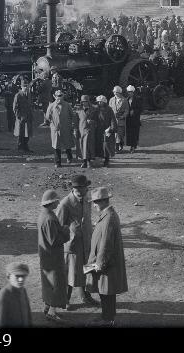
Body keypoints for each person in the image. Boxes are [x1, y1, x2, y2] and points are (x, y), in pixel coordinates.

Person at [86, 187, 128, 326]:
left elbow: (106, 244)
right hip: (106, 262)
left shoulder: (109, 218)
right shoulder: (108, 215)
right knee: (105, 291)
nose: (94, 205)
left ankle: (107, 319)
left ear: (104, 201)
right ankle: (108, 317)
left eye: (96, 202)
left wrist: (99, 264)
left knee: (106, 292)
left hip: (106, 263)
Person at [55, 175, 97, 306]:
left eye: (81, 187)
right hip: (72, 246)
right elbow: (58, 227)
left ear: (86, 187)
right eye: (76, 187)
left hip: (88, 242)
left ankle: (86, 295)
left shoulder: (88, 199)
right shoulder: (65, 204)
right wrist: (70, 238)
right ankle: (64, 299)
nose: (79, 190)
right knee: (70, 273)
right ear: (72, 188)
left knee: (88, 270)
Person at [37, 189, 70, 322]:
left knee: (49, 283)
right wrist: (66, 231)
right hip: (53, 257)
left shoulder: (43, 215)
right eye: (56, 201)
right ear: (52, 203)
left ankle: (48, 307)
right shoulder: (50, 218)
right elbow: (54, 240)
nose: (58, 203)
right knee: (55, 284)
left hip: (46, 256)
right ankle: (51, 312)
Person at [0, 262, 32, 327]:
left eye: (23, 276)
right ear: (8, 276)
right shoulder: (2, 298)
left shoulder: (23, 291)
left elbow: (28, 317)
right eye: (17, 276)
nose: (21, 279)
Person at [46, 89, 78, 168]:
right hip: (56, 129)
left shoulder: (67, 105)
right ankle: (57, 162)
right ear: (54, 96)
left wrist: (72, 125)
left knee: (67, 143)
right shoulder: (51, 106)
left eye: (60, 96)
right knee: (56, 146)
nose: (59, 98)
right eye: (57, 96)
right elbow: (47, 117)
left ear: (63, 96)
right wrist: (52, 125)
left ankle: (69, 157)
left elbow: (72, 115)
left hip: (66, 127)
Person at [12, 79, 34, 153]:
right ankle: (20, 147)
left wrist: (31, 115)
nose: (26, 87)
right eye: (24, 86)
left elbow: (31, 105)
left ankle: (26, 146)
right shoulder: (18, 95)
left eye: (27, 86)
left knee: (27, 133)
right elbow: (15, 108)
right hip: (21, 118)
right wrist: (19, 117)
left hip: (28, 117)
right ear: (21, 87)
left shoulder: (29, 94)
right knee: (21, 134)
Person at [76, 95, 98, 168]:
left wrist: (92, 122)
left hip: (90, 130)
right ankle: (84, 161)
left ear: (88, 101)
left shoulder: (94, 109)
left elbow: (98, 120)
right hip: (81, 129)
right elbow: (76, 120)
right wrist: (75, 129)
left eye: (85, 101)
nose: (84, 103)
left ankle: (89, 161)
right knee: (82, 146)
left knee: (89, 145)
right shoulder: (79, 109)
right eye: (82, 102)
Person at [95, 95, 116, 167]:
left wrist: (111, 129)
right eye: (98, 102)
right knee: (99, 145)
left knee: (106, 145)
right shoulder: (96, 109)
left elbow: (113, 120)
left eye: (100, 102)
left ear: (104, 102)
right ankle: (100, 159)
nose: (99, 103)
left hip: (107, 130)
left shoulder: (109, 109)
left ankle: (107, 160)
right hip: (98, 130)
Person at [108, 87, 128, 153]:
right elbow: (109, 109)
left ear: (120, 92)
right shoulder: (111, 100)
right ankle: (116, 148)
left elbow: (126, 110)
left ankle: (120, 146)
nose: (115, 93)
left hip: (121, 120)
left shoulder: (124, 100)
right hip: (113, 120)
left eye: (116, 92)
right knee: (115, 135)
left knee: (120, 135)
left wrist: (123, 116)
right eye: (114, 92)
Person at [124, 85, 142, 153]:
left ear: (133, 92)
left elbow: (141, 109)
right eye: (128, 92)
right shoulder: (126, 100)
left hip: (135, 120)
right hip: (128, 120)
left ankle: (133, 146)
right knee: (130, 134)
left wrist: (134, 111)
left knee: (135, 133)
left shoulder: (138, 99)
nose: (129, 93)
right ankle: (132, 145)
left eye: (131, 92)